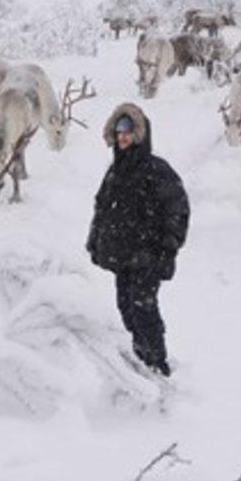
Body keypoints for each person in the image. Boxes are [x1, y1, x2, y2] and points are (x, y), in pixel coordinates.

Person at [85, 103, 190, 376]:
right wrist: (95, 240)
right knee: (126, 309)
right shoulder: (116, 170)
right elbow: (103, 207)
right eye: (118, 131)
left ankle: (157, 365)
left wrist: (167, 248)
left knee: (143, 309)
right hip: (123, 257)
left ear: (139, 134)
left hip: (148, 257)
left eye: (128, 130)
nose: (122, 136)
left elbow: (177, 210)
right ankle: (140, 362)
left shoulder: (156, 169)